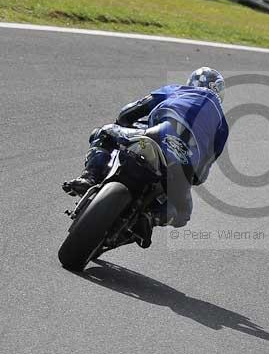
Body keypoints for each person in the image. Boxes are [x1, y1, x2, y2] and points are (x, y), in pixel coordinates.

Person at [62, 67, 229, 232]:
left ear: (191, 82)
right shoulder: (222, 125)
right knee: (183, 214)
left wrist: (123, 124)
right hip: (184, 165)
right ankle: (151, 218)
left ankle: (89, 177)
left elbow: (129, 112)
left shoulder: (178, 90)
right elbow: (203, 171)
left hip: (154, 135)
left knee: (103, 133)